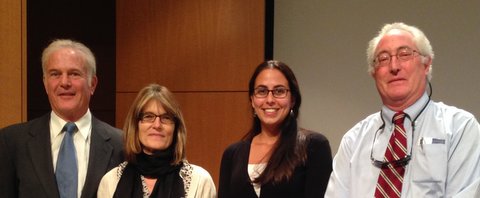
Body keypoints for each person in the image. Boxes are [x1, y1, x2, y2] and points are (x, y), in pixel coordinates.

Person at [325, 22, 480, 197]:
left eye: (404, 54)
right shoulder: (353, 141)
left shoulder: (459, 128)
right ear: (373, 72)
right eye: (383, 59)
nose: (394, 66)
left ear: (426, 64)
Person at [0, 39, 123, 198]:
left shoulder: (121, 144)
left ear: (92, 84)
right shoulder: (11, 142)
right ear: (45, 83)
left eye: (74, 73)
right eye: (55, 74)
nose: (64, 82)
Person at [218, 60, 333, 198]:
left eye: (279, 91)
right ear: (252, 100)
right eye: (262, 91)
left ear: (293, 100)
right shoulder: (232, 154)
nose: (270, 99)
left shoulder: (314, 146)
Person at [97, 84, 216, 198]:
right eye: (148, 116)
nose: (157, 125)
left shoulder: (200, 181)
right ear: (135, 125)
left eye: (166, 118)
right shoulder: (110, 181)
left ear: (176, 128)